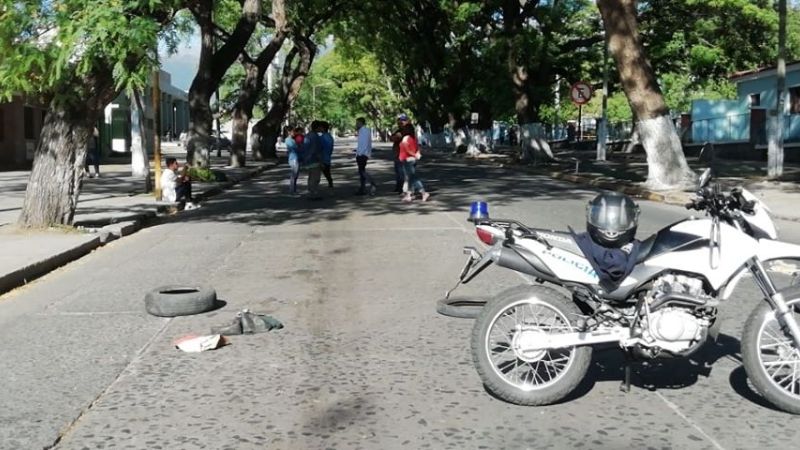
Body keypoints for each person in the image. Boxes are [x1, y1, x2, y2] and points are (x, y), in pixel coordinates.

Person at [398, 124, 430, 202]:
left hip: (407, 160)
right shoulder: (414, 138)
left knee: (413, 178)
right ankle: (409, 195)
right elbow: (417, 148)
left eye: (405, 129)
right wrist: (417, 154)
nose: (403, 130)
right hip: (412, 159)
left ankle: (423, 192)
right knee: (410, 178)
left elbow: (407, 149)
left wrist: (414, 154)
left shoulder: (406, 138)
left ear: (407, 130)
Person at [391, 113, 414, 193]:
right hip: (398, 153)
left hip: (404, 153)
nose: (400, 122)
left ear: (406, 121)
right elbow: (392, 137)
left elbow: (398, 137)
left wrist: (396, 137)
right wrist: (395, 136)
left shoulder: (408, 128)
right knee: (398, 172)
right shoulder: (399, 129)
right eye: (399, 121)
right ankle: (399, 187)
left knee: (402, 172)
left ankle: (405, 189)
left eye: (402, 120)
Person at [354, 117, 377, 196]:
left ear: (361, 123)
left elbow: (363, 143)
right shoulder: (364, 130)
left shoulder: (363, 131)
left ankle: (372, 183)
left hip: (362, 154)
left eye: (357, 123)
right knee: (361, 171)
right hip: (364, 153)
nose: (356, 124)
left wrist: (360, 153)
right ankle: (362, 188)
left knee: (362, 171)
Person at [302, 121, 324, 200]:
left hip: (308, 159)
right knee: (315, 178)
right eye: (320, 127)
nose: (322, 128)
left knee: (311, 177)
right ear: (317, 127)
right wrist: (320, 161)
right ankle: (313, 193)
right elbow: (315, 150)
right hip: (314, 160)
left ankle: (311, 192)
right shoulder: (315, 137)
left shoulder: (307, 136)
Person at [284, 126, 301, 194]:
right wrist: (299, 145)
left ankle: (294, 190)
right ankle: (292, 190)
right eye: (293, 131)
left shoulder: (293, 139)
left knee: (296, 175)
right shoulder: (288, 140)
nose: (294, 133)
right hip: (293, 158)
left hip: (296, 157)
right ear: (289, 132)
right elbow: (295, 147)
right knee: (294, 175)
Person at [320, 121, 335, 188]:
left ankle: (330, 183)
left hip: (323, 157)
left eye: (320, 127)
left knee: (325, 171)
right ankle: (330, 182)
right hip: (327, 156)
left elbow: (319, 147)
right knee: (327, 172)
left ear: (323, 128)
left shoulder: (322, 137)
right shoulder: (329, 136)